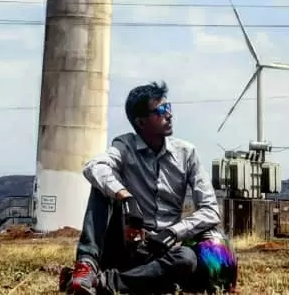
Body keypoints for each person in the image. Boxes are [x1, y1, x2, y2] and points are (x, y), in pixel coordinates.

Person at [63, 81, 235, 295]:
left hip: (161, 251)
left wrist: (173, 232)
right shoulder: (125, 146)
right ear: (141, 122)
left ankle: (105, 283)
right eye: (161, 110)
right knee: (102, 185)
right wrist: (126, 198)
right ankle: (86, 266)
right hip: (124, 242)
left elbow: (211, 210)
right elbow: (93, 167)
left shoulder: (187, 154)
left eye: (169, 107)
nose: (169, 114)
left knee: (187, 259)